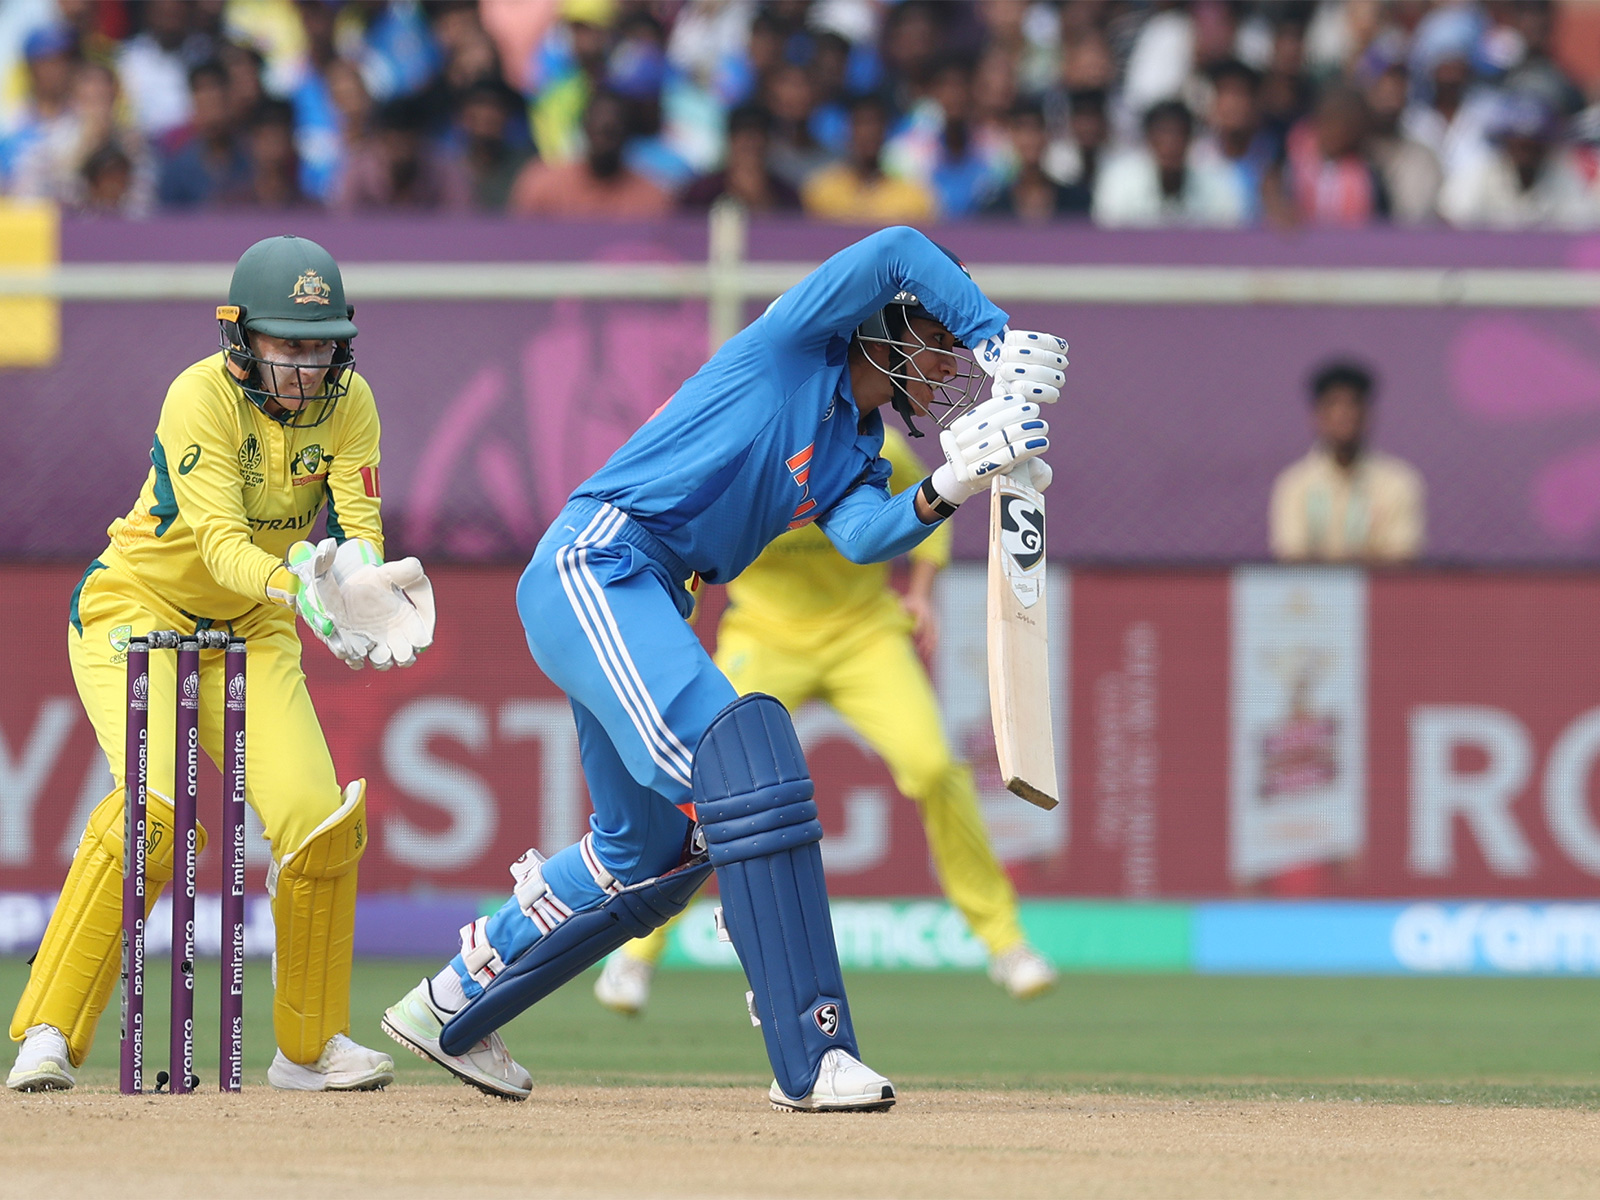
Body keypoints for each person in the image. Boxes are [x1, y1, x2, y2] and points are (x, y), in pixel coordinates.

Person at [380, 226, 1066, 1111]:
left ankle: (449, 1005)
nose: (949, 369)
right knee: (744, 765)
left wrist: (950, 486)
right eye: (937, 342)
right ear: (892, 327)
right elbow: (899, 244)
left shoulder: (854, 447)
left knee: (653, 852)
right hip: (599, 563)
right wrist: (996, 337)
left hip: (650, 597)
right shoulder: (795, 344)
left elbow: (863, 537)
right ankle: (813, 1052)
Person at [7, 235, 436, 1093]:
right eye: (288, 343)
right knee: (156, 811)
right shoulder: (197, 397)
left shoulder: (352, 407)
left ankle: (308, 1052)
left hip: (253, 626)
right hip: (134, 612)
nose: (307, 366)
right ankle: (47, 1032)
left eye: (321, 346)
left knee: (319, 821)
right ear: (240, 338)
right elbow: (219, 543)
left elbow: (358, 528)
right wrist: (300, 593)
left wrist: (358, 586)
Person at [593, 421, 1057, 1017]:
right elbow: (686, 542)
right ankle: (637, 950)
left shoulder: (879, 445)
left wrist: (920, 590)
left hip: (865, 634)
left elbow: (935, 502)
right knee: (701, 774)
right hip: (765, 635)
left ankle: (1006, 944)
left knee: (935, 765)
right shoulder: (739, 446)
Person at [1270, 359, 1424, 563]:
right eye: (1333, 404)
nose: (1344, 415)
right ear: (1317, 416)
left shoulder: (1397, 482)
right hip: (1315, 594)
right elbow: (1291, 558)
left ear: (1368, 415)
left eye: (1353, 404)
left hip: (1380, 594)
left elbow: (1402, 559)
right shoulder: (1294, 483)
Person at [510, 88, 671, 219]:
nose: (606, 139)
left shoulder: (651, 199)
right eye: (600, 131)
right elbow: (519, 245)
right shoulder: (543, 186)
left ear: (628, 133)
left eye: (612, 132)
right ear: (585, 128)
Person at [1092, 99, 1245, 228]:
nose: (1171, 144)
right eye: (1162, 134)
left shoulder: (1217, 186)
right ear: (1148, 139)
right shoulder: (1118, 182)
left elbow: (1230, 233)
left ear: (1190, 140)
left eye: (1179, 134)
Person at [803, 94, 935, 224]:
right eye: (861, 124)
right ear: (848, 131)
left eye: (876, 124)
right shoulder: (822, 191)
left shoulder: (913, 197)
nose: (869, 133)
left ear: (886, 132)